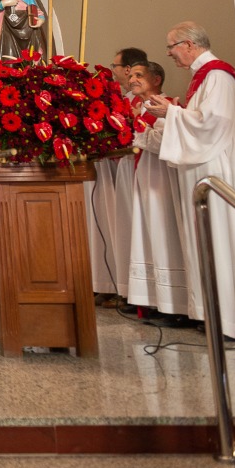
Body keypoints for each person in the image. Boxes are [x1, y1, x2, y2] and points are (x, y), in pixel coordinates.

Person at [142, 22, 235, 343]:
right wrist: (170, 115)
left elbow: (212, 124)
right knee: (206, 242)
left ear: (189, 45)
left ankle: (231, 320)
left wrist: (171, 112)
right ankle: (213, 315)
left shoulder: (217, 76)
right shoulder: (203, 78)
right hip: (203, 168)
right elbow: (197, 121)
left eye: (171, 47)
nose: (169, 54)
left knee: (220, 239)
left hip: (218, 169)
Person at [126, 61, 189, 323]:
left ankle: (176, 305)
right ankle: (155, 300)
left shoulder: (166, 106)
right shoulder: (140, 108)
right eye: (130, 76)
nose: (132, 80)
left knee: (165, 232)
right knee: (149, 234)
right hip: (145, 175)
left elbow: (166, 141)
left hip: (162, 178)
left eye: (139, 75)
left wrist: (136, 129)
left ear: (157, 79)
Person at [89, 46, 148, 304]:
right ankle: (112, 282)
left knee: (129, 227)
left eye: (114, 65)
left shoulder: (141, 102)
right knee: (115, 228)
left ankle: (128, 288)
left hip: (133, 170)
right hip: (114, 170)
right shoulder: (121, 99)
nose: (111, 70)